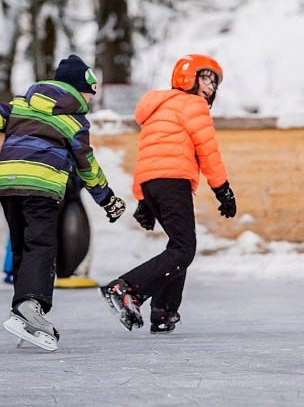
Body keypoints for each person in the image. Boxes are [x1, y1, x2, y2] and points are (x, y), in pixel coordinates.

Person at [0, 54, 126, 351]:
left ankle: (24, 311)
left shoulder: (21, 105)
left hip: (9, 183)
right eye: (88, 92)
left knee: (22, 246)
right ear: (75, 88)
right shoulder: (73, 119)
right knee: (41, 246)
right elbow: (87, 164)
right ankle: (31, 307)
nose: (90, 99)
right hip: (42, 184)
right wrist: (107, 199)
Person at [100, 53, 237, 333]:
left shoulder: (159, 108)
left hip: (154, 184)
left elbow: (148, 156)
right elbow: (207, 150)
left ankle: (163, 311)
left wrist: (143, 200)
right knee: (184, 250)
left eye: (214, 82)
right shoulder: (192, 105)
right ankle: (126, 288)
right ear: (188, 78)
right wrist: (222, 189)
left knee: (178, 245)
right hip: (173, 181)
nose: (210, 87)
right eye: (206, 78)